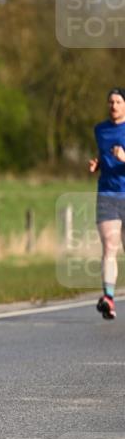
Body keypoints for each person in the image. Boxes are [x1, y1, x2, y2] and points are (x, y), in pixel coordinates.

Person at [87, 87, 125, 320]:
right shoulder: (100, 130)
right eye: (110, 102)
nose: (113, 106)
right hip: (107, 194)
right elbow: (103, 154)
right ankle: (108, 298)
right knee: (110, 247)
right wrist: (97, 164)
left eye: (118, 102)